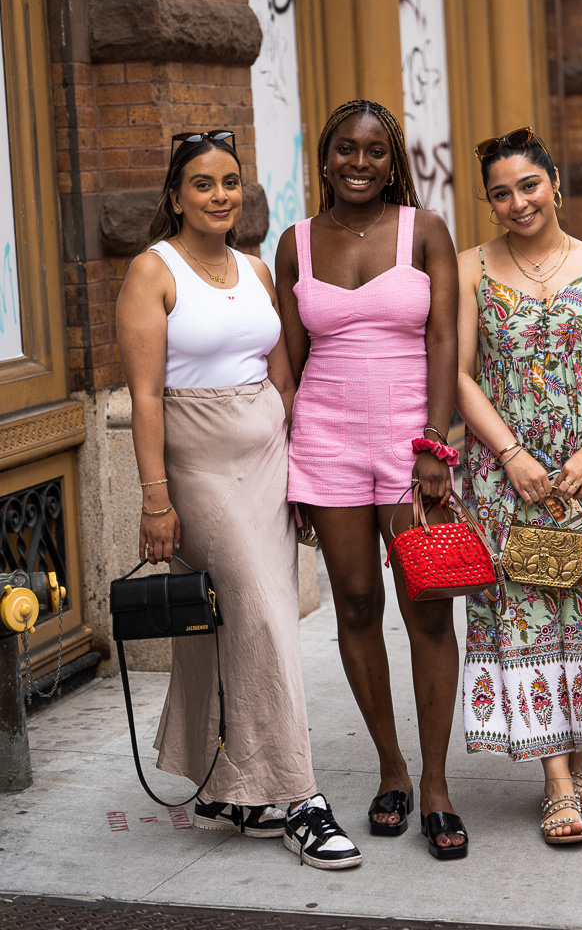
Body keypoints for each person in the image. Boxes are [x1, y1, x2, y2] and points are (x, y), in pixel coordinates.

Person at [116, 129, 361, 871]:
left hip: (265, 457)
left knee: (242, 619)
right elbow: (146, 396)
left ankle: (232, 787)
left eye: (230, 182)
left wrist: (297, 465)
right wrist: (155, 498)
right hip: (196, 461)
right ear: (174, 195)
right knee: (260, 615)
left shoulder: (256, 269)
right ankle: (301, 797)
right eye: (202, 183)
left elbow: (283, 374)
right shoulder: (151, 272)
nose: (220, 195)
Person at [276, 99, 467, 860]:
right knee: (355, 603)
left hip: (407, 442)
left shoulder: (424, 231)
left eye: (376, 151)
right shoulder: (295, 243)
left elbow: (445, 337)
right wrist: (285, 452)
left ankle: (436, 785)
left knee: (427, 607)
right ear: (325, 159)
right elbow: (286, 359)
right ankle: (390, 768)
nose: (360, 163)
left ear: (395, 161)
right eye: (346, 150)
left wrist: (435, 445)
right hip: (325, 443)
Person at [456, 126, 582, 844]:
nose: (517, 203)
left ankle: (573, 749)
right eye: (501, 193)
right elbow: (457, 373)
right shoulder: (471, 268)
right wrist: (508, 454)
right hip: (511, 477)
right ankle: (558, 783)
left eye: (528, 185)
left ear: (554, 181)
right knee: (524, 618)